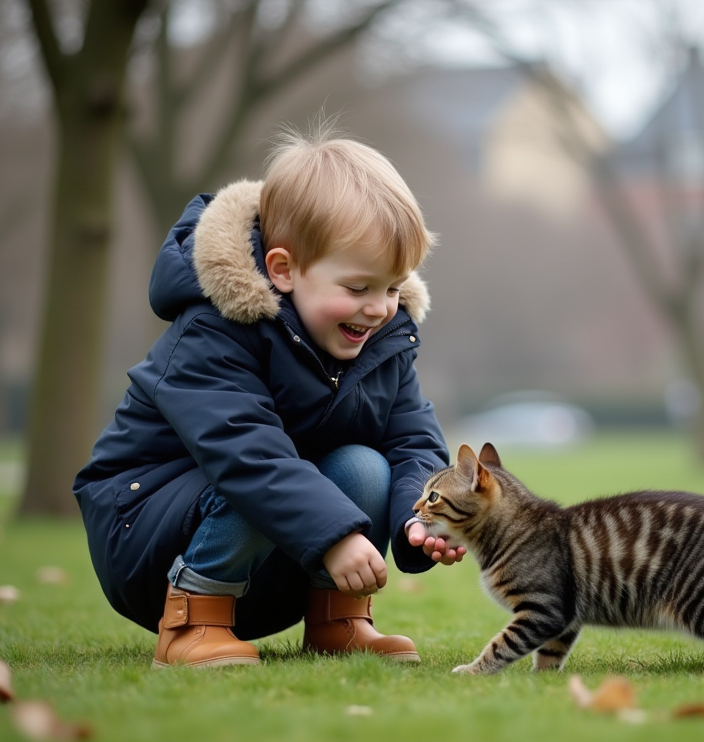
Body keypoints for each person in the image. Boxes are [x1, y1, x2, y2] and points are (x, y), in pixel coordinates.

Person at [73, 128, 464, 668]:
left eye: (393, 287)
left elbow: (413, 440)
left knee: (366, 468)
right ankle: (193, 620)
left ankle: (337, 618)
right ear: (283, 270)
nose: (379, 308)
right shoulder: (215, 329)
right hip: (148, 539)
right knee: (259, 468)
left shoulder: (383, 342)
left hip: (277, 560)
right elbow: (245, 452)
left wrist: (419, 520)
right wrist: (334, 535)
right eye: (358, 288)